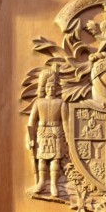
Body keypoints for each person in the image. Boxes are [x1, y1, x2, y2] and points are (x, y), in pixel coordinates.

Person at [26, 69, 67, 198]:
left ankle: (54, 184)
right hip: (42, 133)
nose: (51, 89)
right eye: (49, 86)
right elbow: (31, 122)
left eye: (54, 86)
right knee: (42, 159)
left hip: (56, 133)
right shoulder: (38, 103)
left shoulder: (61, 103)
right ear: (44, 87)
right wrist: (29, 137)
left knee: (55, 159)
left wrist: (69, 137)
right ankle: (42, 182)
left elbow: (66, 122)